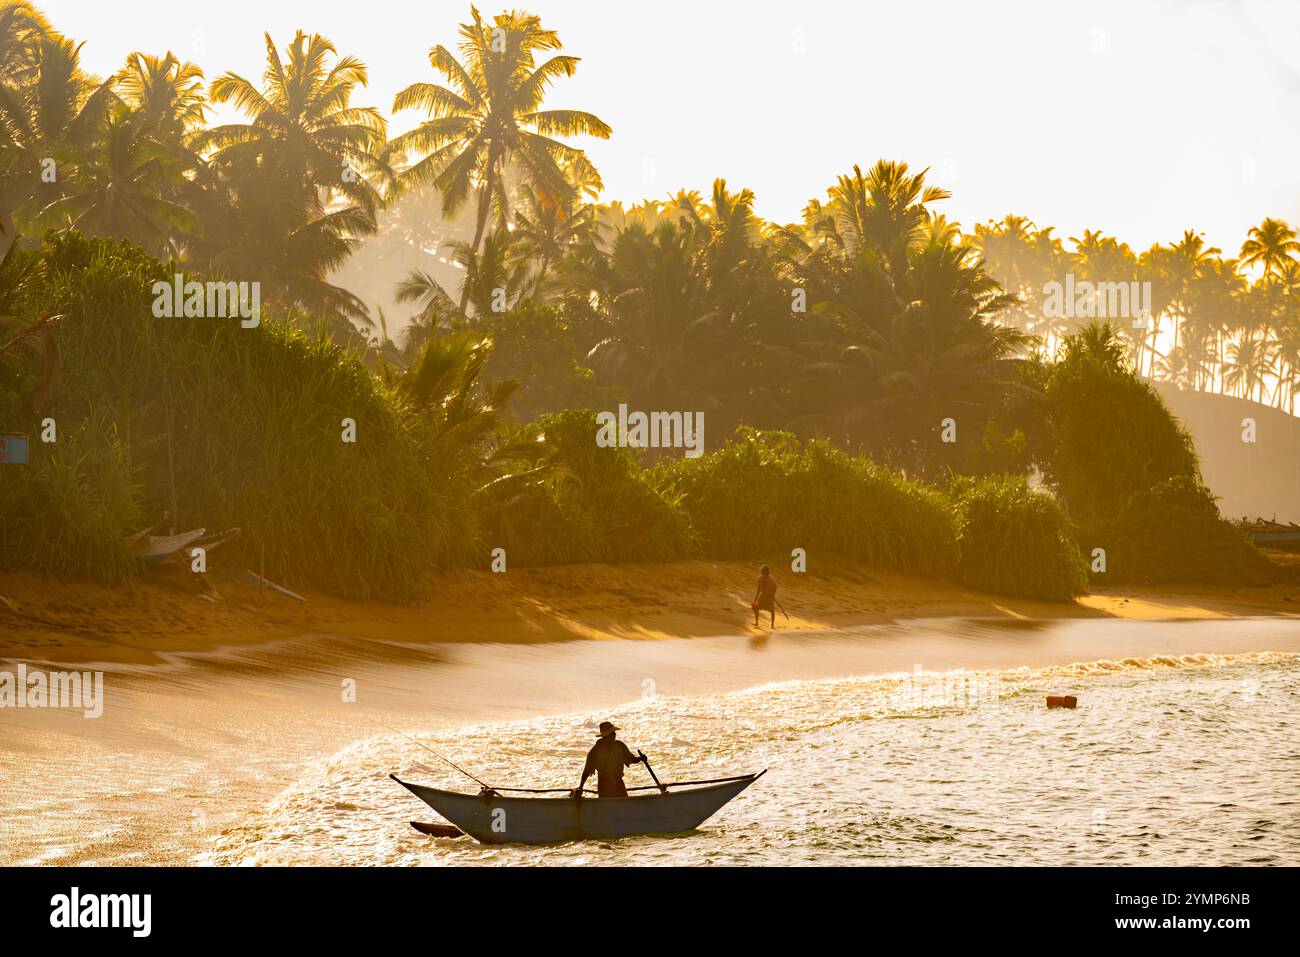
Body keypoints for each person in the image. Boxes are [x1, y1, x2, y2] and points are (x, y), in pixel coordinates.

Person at [574, 721, 642, 798]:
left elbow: (631, 759)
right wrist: (581, 787)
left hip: (618, 782)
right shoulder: (596, 750)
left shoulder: (620, 746)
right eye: (613, 733)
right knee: (607, 806)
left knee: (624, 805)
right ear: (607, 735)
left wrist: (640, 758)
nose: (615, 734)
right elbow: (587, 770)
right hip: (604, 784)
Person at [753, 563, 777, 627]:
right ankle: (756, 622)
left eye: (763, 570)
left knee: (772, 611)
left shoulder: (771, 578)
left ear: (766, 571)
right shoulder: (760, 578)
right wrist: (755, 598)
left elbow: (775, 587)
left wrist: (772, 595)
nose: (761, 572)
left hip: (769, 596)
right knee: (756, 608)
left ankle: (772, 625)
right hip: (762, 596)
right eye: (761, 570)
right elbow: (758, 588)